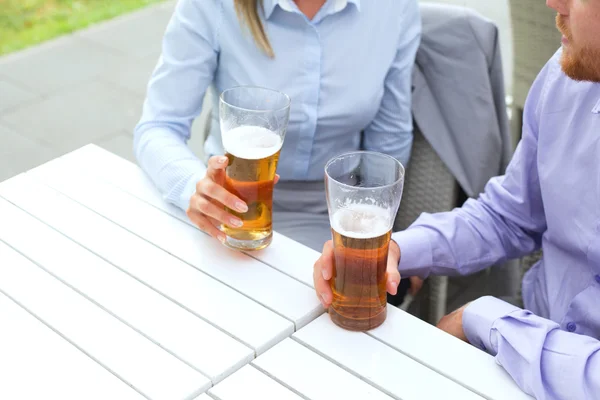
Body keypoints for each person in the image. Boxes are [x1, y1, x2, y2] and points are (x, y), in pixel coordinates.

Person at [314, 0, 600, 398]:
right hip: (521, 352)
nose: (552, 2)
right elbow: (510, 216)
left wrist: (487, 321)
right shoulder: (563, 79)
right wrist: (395, 249)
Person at [132, 0, 420, 257]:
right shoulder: (212, 6)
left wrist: (391, 236)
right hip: (227, 213)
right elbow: (158, 126)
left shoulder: (393, 8)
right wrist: (193, 187)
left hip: (336, 219)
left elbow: (389, 141)